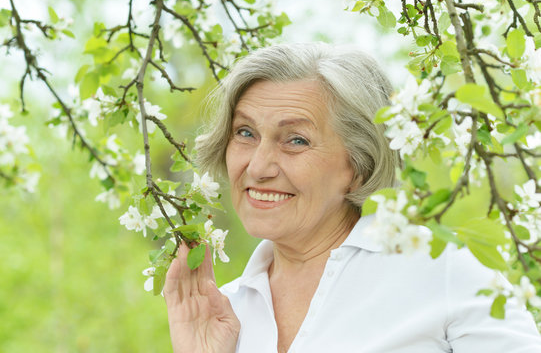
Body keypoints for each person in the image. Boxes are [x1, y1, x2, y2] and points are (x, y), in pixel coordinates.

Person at [163, 43, 541, 353]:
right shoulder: (222, 311)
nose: (258, 166)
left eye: (296, 140)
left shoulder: (443, 271)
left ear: (359, 164)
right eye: (245, 132)